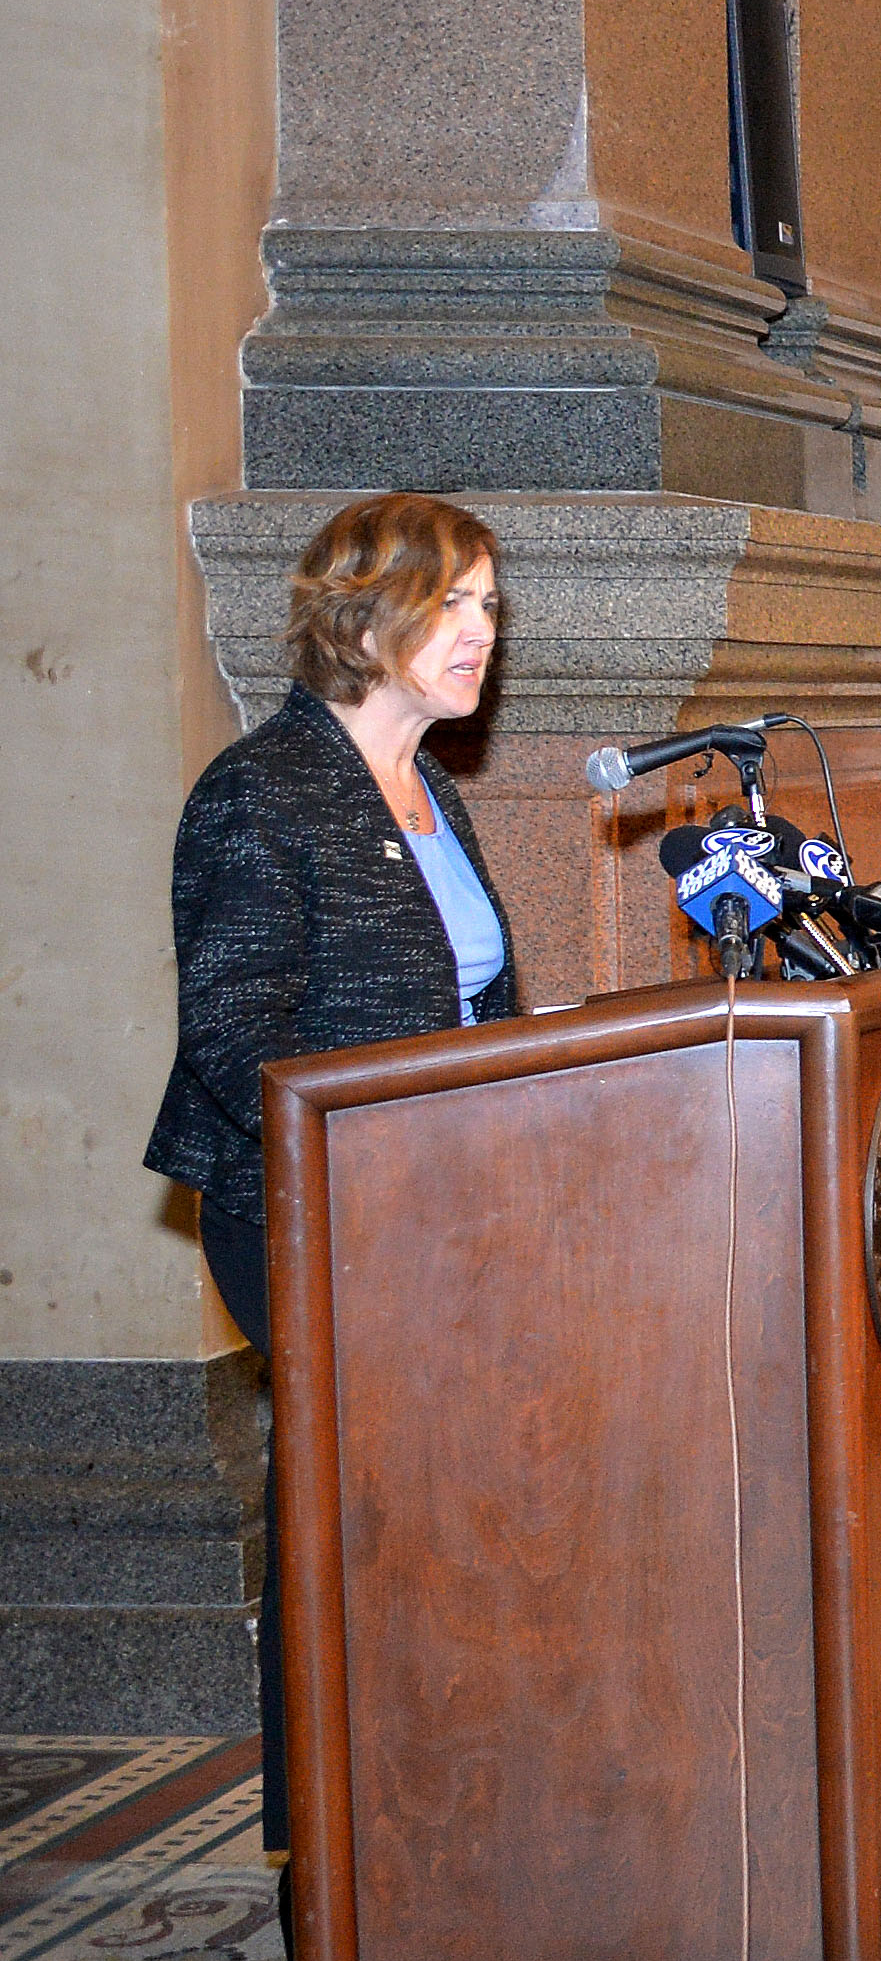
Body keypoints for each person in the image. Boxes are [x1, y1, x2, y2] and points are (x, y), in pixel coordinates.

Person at [151, 493, 526, 1853]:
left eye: (490, 605)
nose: (481, 632)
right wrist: (389, 1170)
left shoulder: (429, 792)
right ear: (363, 618)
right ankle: (329, 1856)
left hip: (450, 1213)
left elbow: (473, 1011)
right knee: (343, 1514)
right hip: (314, 1217)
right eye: (454, 604)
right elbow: (236, 1043)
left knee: (449, 1504)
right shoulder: (262, 792)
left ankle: (450, 1799)